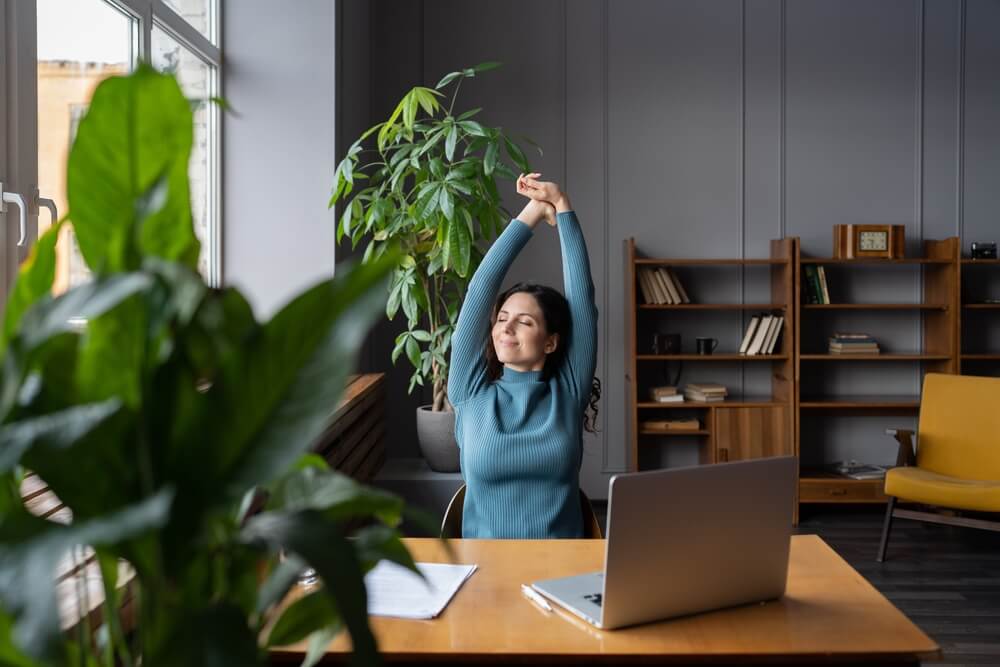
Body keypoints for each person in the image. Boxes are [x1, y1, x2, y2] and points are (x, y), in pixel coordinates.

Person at [448, 173, 600, 538]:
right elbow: (481, 288)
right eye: (502, 319)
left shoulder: (568, 390)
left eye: (524, 321)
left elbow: (582, 300)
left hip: (564, 570)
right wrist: (531, 213)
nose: (506, 328)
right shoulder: (470, 392)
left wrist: (562, 206)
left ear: (550, 342)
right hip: (485, 569)